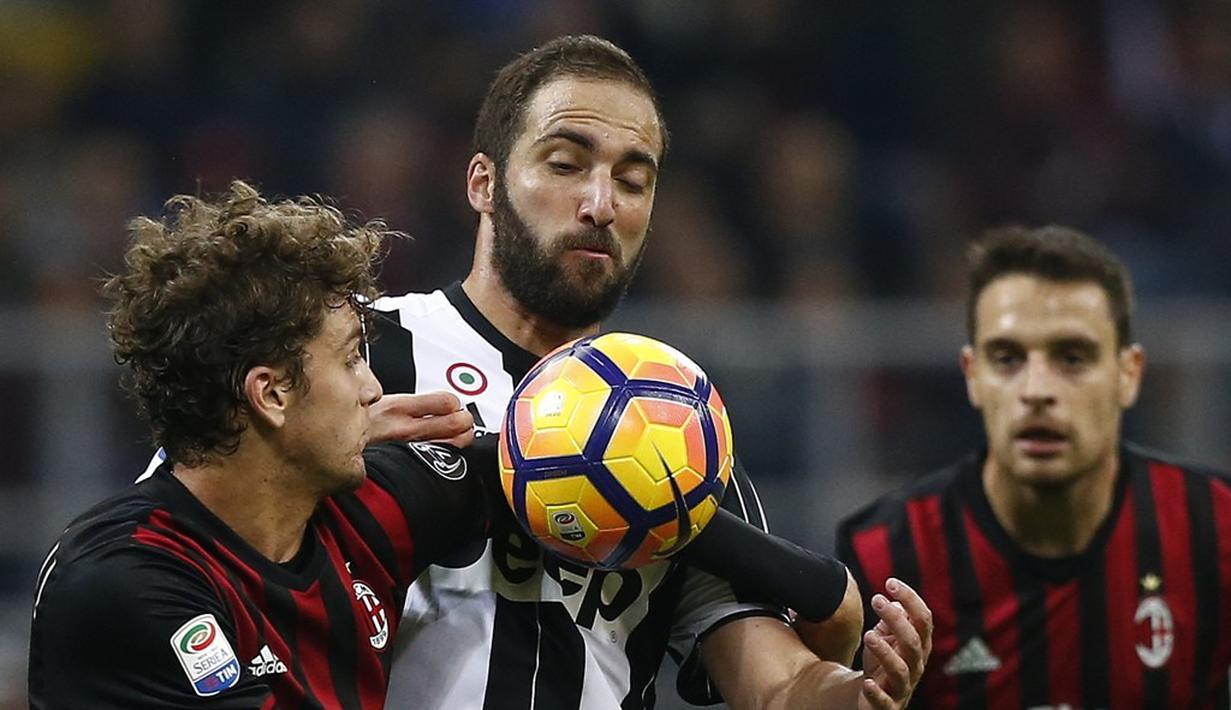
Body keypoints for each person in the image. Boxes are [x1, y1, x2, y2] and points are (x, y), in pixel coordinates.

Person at [371, 34, 930, 709]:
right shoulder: (363, 349)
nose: (601, 204)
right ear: (482, 183)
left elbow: (779, 684)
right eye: (565, 164)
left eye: (632, 180)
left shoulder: (681, 433)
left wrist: (858, 695)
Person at [27, 182, 494, 708]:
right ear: (271, 394)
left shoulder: (360, 511)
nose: (373, 389)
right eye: (350, 359)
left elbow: (525, 471)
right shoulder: (125, 579)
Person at [836, 225, 1231, 709]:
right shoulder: (886, 556)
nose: (1037, 389)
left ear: (1129, 375)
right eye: (1007, 358)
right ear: (972, 375)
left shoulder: (1219, 527)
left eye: (1072, 357)